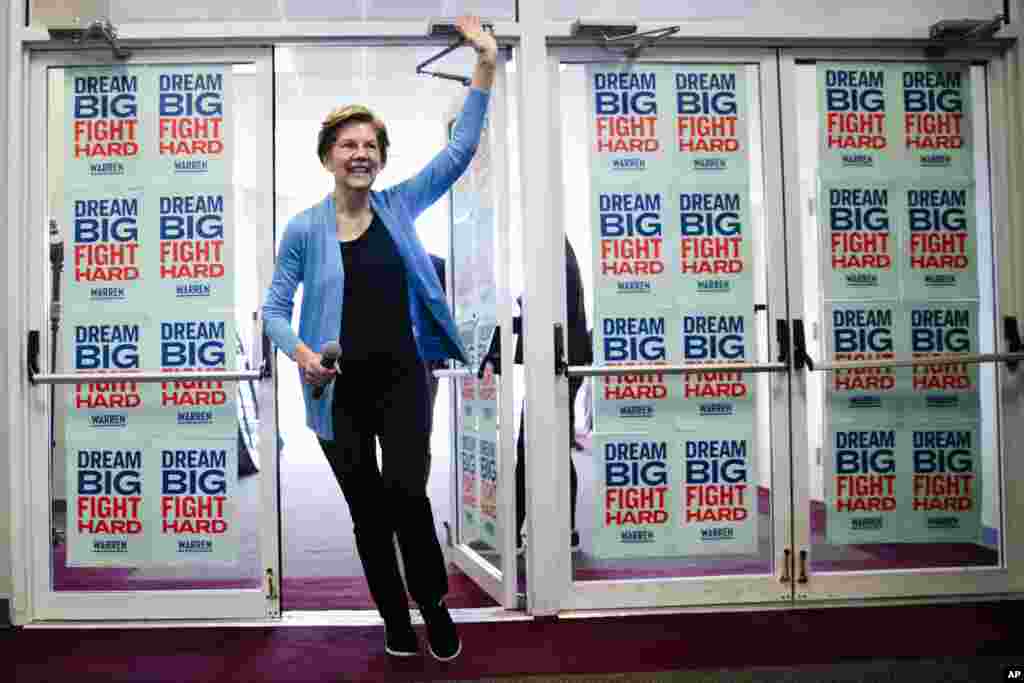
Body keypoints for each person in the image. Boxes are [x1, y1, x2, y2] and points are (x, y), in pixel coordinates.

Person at [261, 16, 496, 662]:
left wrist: (485, 65)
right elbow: (274, 308)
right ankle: (394, 615)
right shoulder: (304, 230)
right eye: (348, 144)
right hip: (338, 392)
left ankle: (434, 603)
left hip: (403, 379)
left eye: (371, 144)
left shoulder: (398, 205)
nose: (360, 153)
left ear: (381, 157)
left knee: (407, 495)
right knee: (368, 512)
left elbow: (459, 151)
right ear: (327, 156)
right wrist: (301, 352)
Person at [514, 237, 590, 553]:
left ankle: (518, 529)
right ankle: (562, 529)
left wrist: (517, 309)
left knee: (531, 448)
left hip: (555, 362)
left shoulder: (551, 253)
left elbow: (546, 311)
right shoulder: (559, 252)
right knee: (550, 448)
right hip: (561, 360)